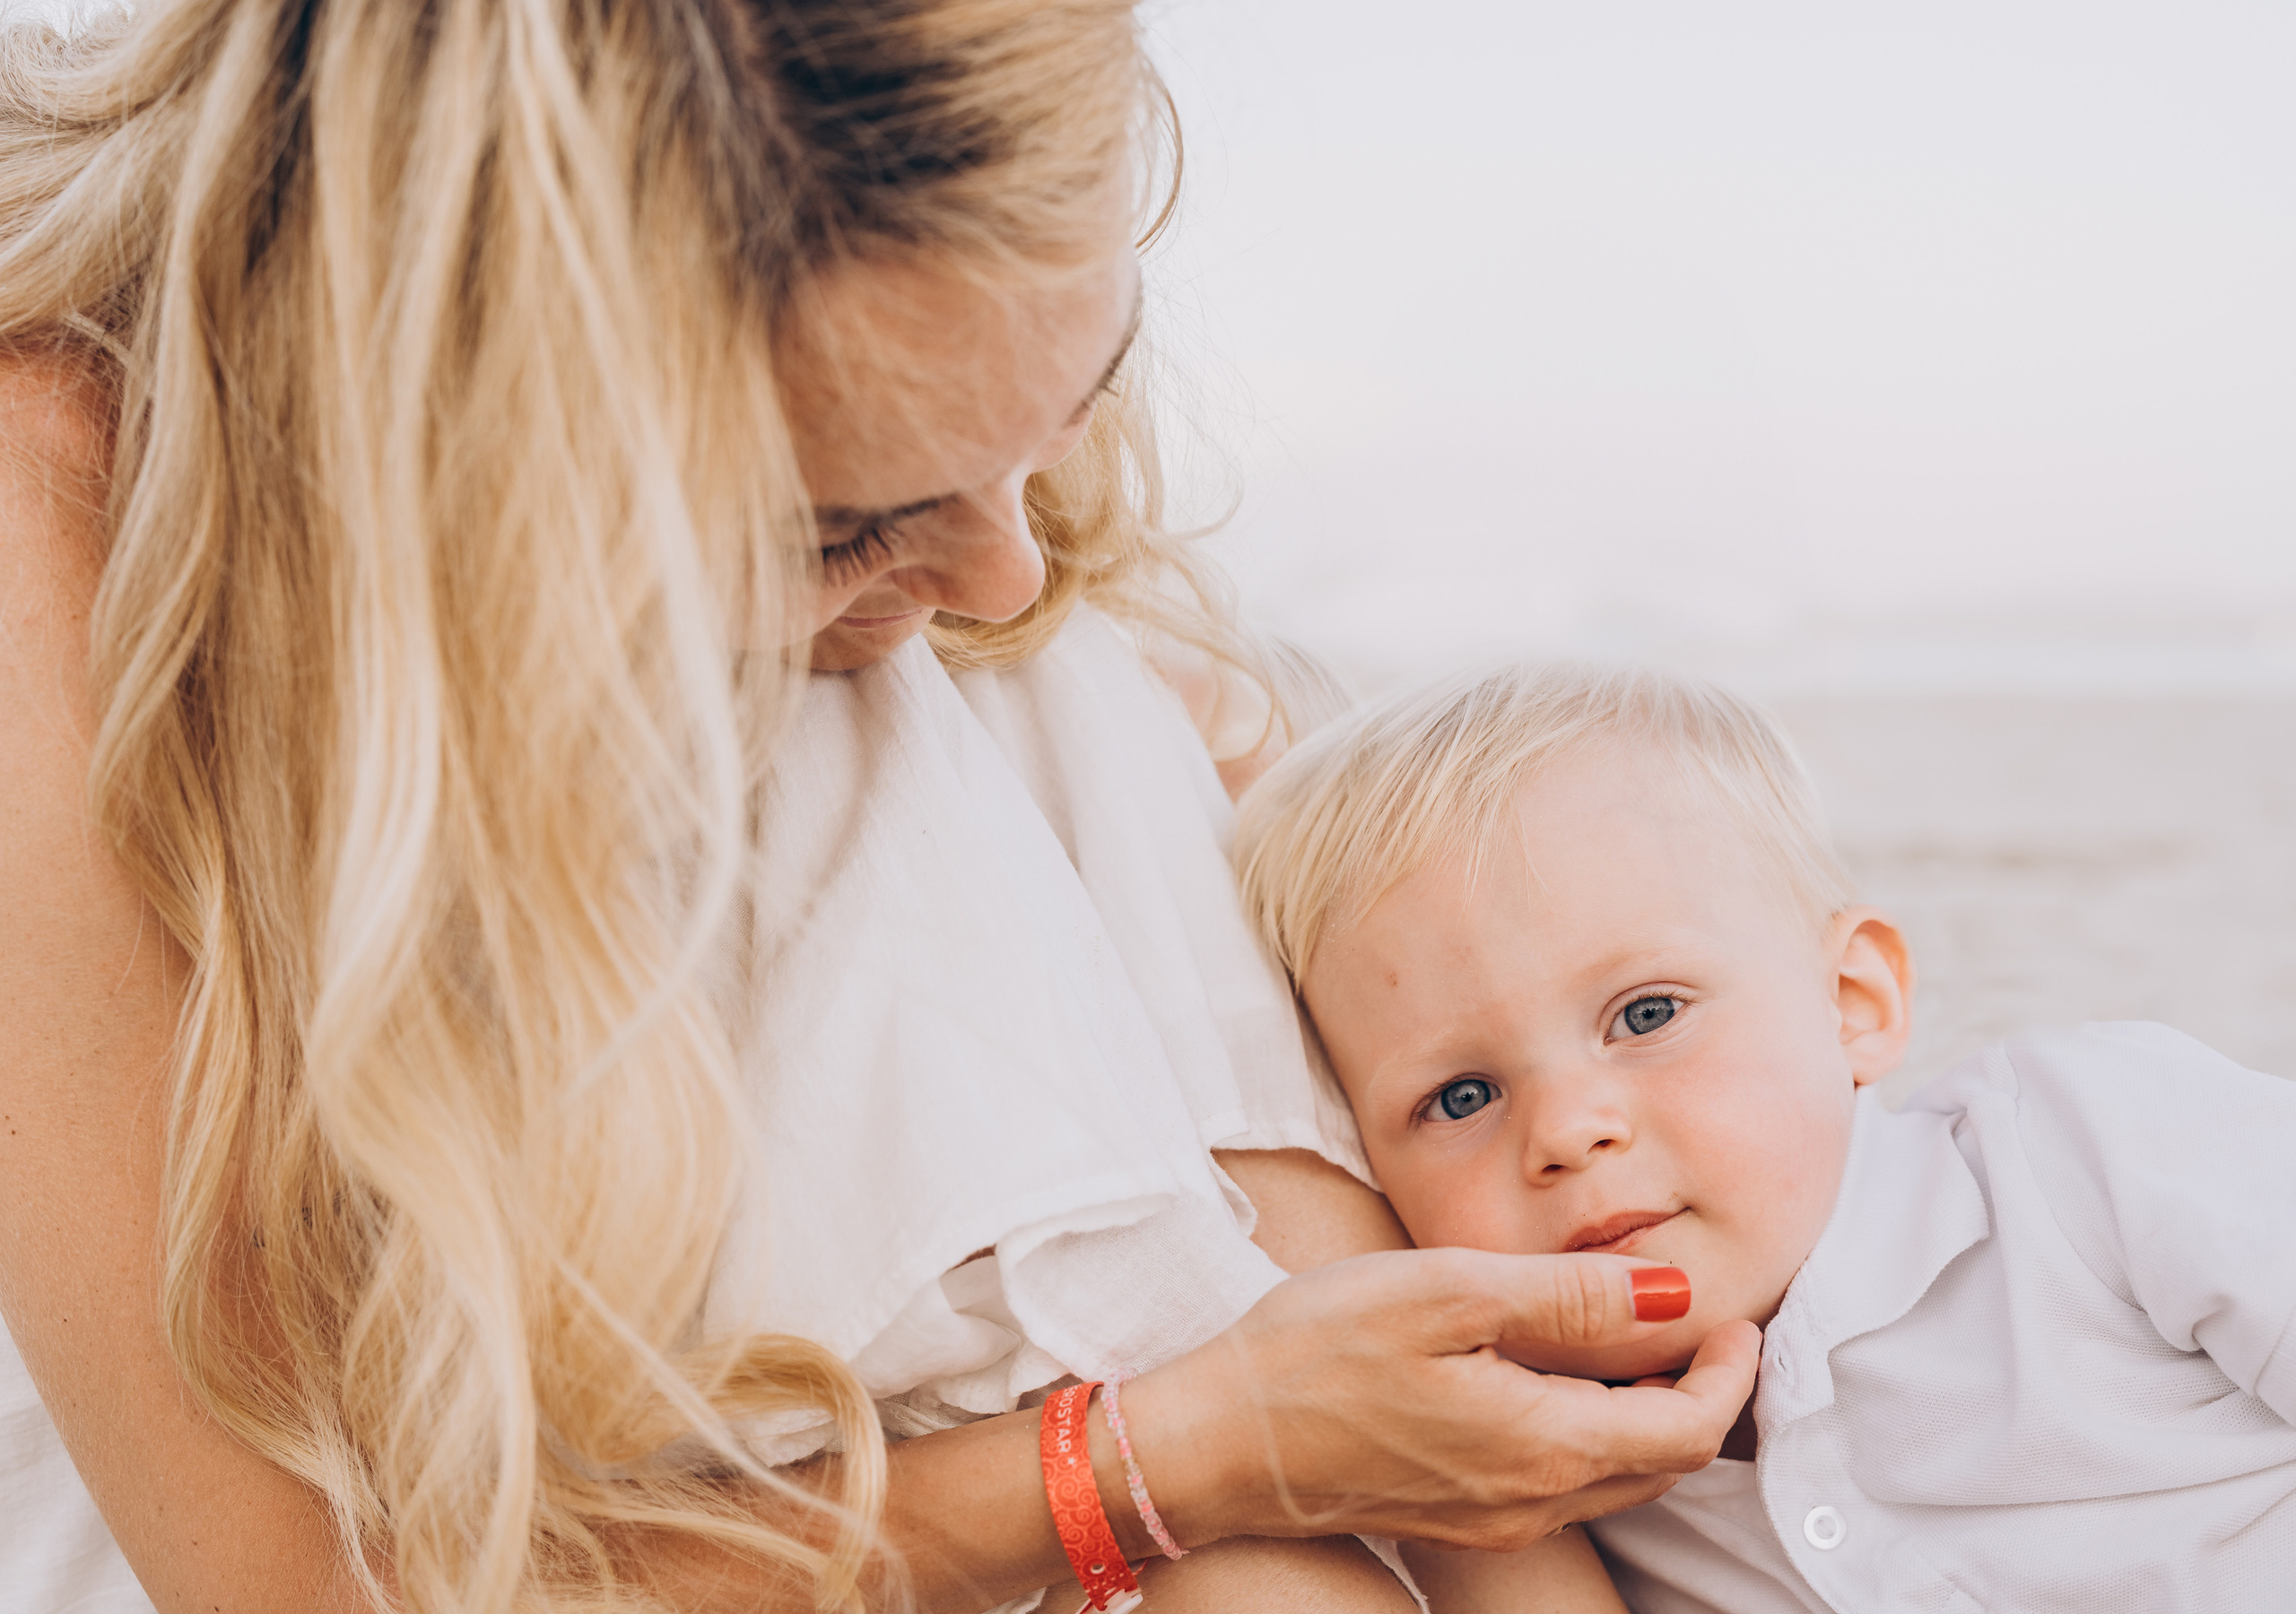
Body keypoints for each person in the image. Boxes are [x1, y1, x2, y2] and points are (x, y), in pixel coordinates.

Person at [0, 3, 1761, 1611]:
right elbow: (298, 1589)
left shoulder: (1025, 641)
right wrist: (1186, 1455)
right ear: (462, 436)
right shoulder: (53, 536)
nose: (1007, 571)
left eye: (1063, 407)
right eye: (832, 524)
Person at [1231, 662, 2296, 1613]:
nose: (1567, 1130)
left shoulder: (2082, 1146)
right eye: (1460, 1097)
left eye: (1645, 1015)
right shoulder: (1541, 1483)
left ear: (1851, 1002)